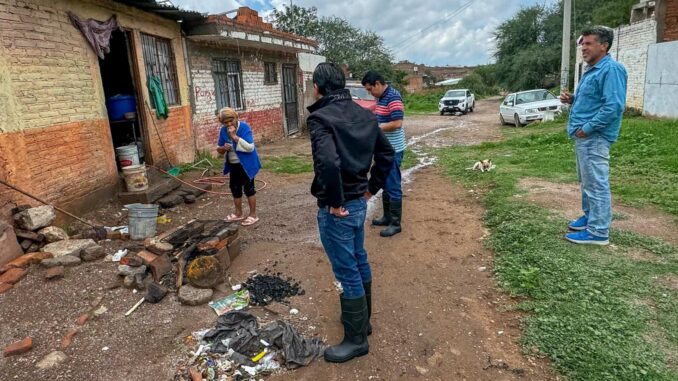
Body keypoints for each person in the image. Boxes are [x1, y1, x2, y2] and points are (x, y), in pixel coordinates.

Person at [307, 63, 394, 363]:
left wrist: (333, 201)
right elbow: (387, 153)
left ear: (318, 87)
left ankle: (356, 340)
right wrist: (372, 188)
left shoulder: (320, 118)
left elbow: (329, 164)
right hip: (359, 203)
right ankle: (363, 322)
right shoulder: (365, 114)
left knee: (347, 269)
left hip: (339, 209)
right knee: (358, 259)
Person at [560, 26, 627, 245]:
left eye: (588, 43)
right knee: (587, 181)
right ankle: (590, 217)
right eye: (582, 43)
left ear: (604, 45)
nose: (583, 48)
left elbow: (613, 107)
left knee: (596, 183)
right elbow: (595, 99)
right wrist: (573, 99)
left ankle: (598, 231)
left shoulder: (611, 70)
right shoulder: (593, 69)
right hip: (585, 137)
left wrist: (586, 128)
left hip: (595, 137)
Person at [362, 71, 405, 237]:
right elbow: (377, 111)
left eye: (370, 89)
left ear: (378, 84)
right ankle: (387, 216)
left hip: (393, 149)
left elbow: (397, 123)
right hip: (385, 149)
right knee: (386, 183)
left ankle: (395, 223)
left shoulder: (393, 97)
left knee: (393, 185)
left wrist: (375, 127)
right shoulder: (381, 97)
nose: (370, 93)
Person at [216, 108, 262, 226]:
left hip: (246, 164)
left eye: (231, 121)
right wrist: (222, 148)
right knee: (235, 188)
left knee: (249, 189)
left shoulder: (244, 127)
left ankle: (253, 215)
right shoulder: (223, 131)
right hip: (233, 165)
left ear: (236, 117)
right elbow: (219, 149)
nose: (229, 124)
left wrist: (234, 136)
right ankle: (238, 213)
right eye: (225, 122)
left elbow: (250, 147)